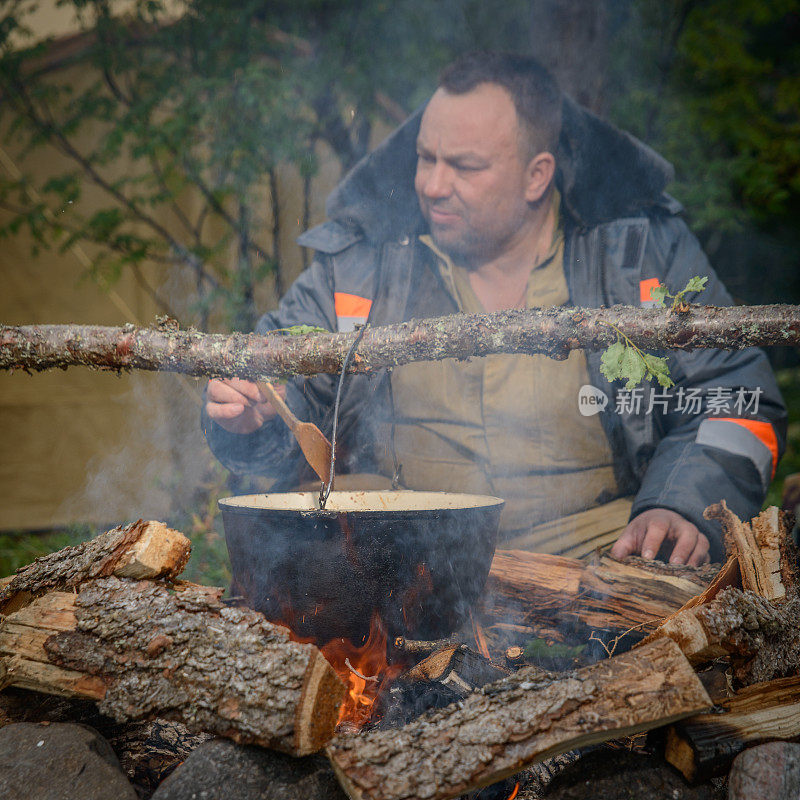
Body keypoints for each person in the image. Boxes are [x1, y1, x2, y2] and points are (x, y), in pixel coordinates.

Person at [204, 52, 786, 565]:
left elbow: (738, 399)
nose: (431, 185)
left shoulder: (639, 254)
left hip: (596, 562)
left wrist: (679, 506)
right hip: (397, 557)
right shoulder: (363, 260)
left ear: (538, 176)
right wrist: (252, 414)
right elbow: (282, 387)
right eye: (425, 158)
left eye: (464, 166)